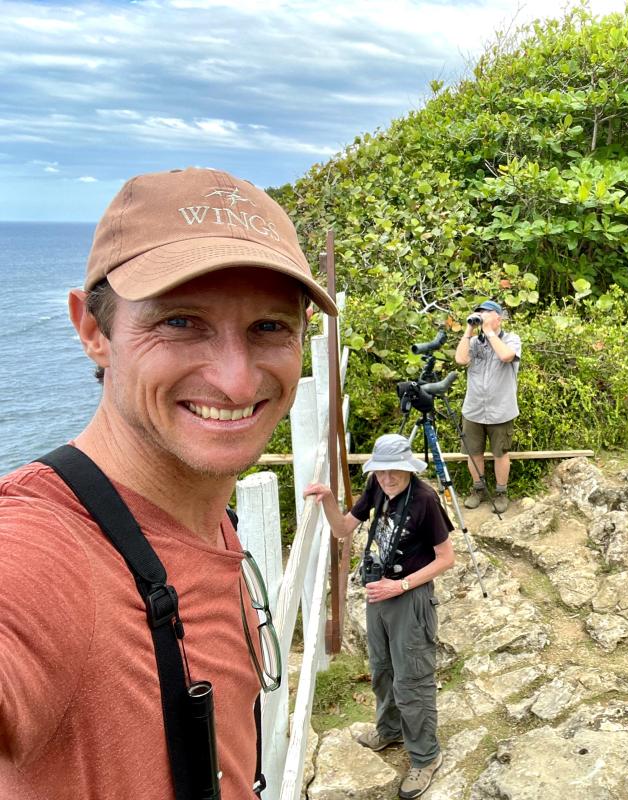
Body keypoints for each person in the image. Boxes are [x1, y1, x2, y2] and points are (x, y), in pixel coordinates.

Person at [0, 167, 338, 799]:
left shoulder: (207, 517)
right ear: (93, 331)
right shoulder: (45, 552)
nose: (237, 382)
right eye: (181, 322)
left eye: (270, 327)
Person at [304, 434, 454, 800]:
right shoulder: (375, 486)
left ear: (408, 468)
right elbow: (342, 529)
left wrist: (399, 586)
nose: (387, 478)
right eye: (381, 471)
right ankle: (389, 730)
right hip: (377, 592)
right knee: (382, 669)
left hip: (408, 597)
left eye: (395, 471)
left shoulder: (425, 500)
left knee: (412, 678)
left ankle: (425, 757)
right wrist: (326, 501)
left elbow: (446, 559)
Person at [455, 299, 521, 513]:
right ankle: (478, 490)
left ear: (498, 317)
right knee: (474, 453)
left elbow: (506, 356)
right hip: (473, 409)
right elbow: (460, 359)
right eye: (478, 312)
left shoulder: (511, 339)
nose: (481, 315)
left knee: (501, 453)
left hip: (501, 410)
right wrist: (469, 329)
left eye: (486, 313)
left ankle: (501, 493)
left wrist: (490, 332)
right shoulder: (474, 343)